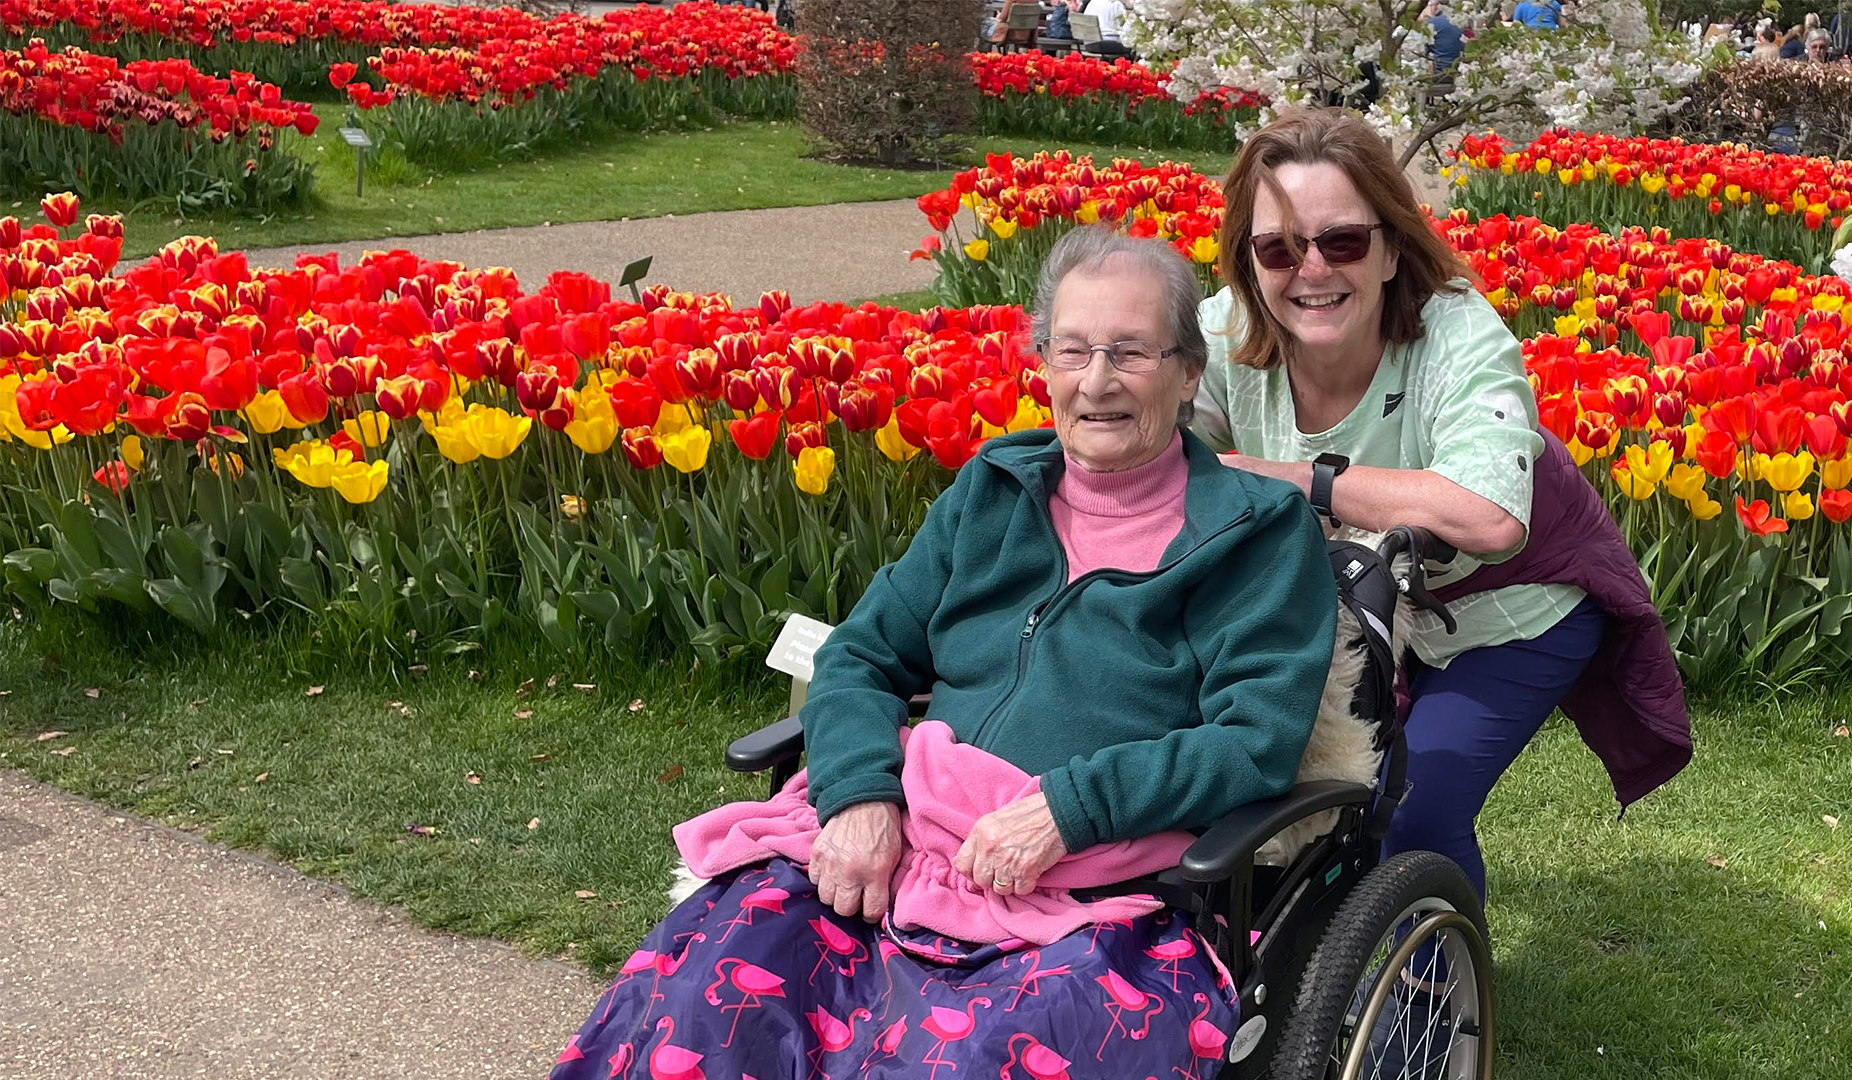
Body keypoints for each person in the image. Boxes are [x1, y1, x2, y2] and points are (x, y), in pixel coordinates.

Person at [548, 227, 1339, 1080]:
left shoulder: (1256, 534)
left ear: (1188, 373)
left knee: (971, 1060)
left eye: (1131, 352)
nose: (1096, 380)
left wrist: (1068, 809)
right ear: (1044, 362)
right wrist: (859, 796)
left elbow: (1254, 740)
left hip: (1085, 897)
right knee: (703, 1001)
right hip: (896, 842)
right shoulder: (994, 490)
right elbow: (861, 655)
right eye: (1073, 349)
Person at [1191, 106, 1691, 908]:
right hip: (1366, 609)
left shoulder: (1456, 334)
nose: (1310, 270)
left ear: (1392, 248)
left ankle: (1441, 984)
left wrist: (1293, 477)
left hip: (1511, 608)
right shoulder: (1222, 335)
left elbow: (1489, 516)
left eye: (1342, 242)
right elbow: (1141, 433)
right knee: (1294, 790)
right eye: (1278, 248)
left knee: (1415, 806)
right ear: (1247, 260)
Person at [1425, 0, 1466, 72]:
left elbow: (1425, 46)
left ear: (1435, 7)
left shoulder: (1432, 23)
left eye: (1430, 5)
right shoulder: (1460, 19)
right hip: (1461, 65)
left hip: (1441, 66)